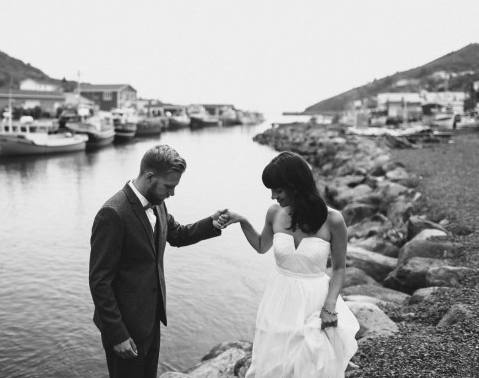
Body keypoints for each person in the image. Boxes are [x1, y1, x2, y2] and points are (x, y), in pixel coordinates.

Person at [89, 144, 226, 378]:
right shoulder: (112, 213)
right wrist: (118, 334)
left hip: (151, 320)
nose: (172, 193)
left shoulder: (159, 203)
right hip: (125, 328)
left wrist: (211, 224)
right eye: (169, 186)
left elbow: (178, 234)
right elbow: (99, 281)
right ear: (150, 177)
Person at [218, 151, 359, 378]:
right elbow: (261, 245)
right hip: (278, 299)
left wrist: (329, 306)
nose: (273, 196)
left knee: (311, 366)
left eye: (278, 189)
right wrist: (242, 220)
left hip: (314, 300)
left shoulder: (333, 219)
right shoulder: (274, 213)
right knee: (275, 365)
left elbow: (340, 269)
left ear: (295, 185)